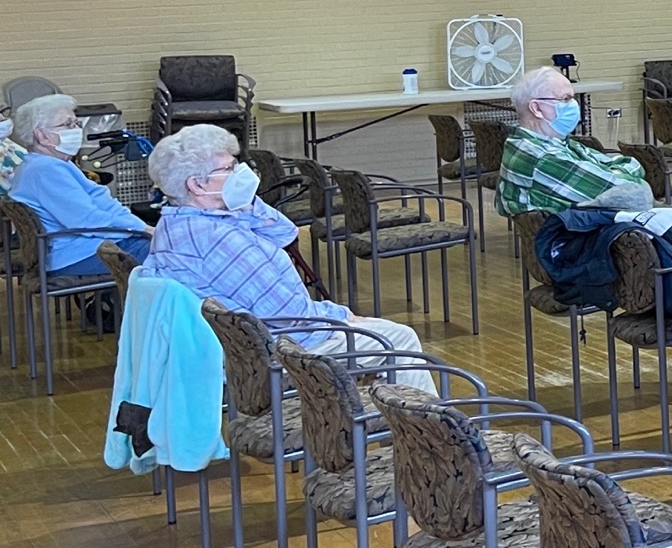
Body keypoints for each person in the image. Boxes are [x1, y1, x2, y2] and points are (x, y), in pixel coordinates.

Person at [144, 124, 424, 366]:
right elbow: (290, 315)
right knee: (400, 338)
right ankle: (418, 425)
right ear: (197, 185)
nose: (240, 173)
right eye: (229, 168)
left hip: (245, 345)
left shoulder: (180, 223)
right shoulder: (220, 240)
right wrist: (342, 314)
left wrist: (244, 202)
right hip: (285, 350)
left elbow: (284, 233)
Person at [8, 93, 149, 280]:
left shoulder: (56, 163)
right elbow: (88, 220)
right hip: (75, 255)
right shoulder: (44, 169)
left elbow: (100, 199)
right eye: (67, 124)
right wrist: (144, 229)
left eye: (76, 123)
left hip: (86, 246)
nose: (75, 130)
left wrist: (142, 227)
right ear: (42, 135)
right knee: (176, 252)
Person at [494, 65, 653, 219]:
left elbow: (631, 165)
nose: (574, 105)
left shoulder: (550, 142)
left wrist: (612, 172)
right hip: (585, 241)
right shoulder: (542, 157)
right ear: (536, 108)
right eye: (565, 99)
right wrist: (613, 172)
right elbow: (630, 193)